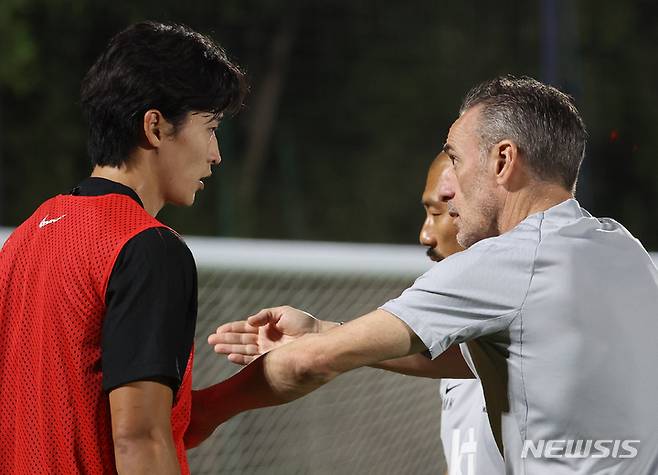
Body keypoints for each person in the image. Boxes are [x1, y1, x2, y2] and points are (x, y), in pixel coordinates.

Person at [203, 76, 658, 474]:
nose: (451, 188)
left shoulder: (503, 262)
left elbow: (312, 363)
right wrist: (324, 329)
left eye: (456, 161)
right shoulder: (626, 249)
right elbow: (506, 359)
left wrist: (201, 413)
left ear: (503, 160)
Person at [0, 21, 246, 474]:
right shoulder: (146, 247)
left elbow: (99, 417)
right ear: (154, 126)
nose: (216, 154)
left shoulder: (25, 239)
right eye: (210, 128)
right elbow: (139, 439)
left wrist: (260, 386)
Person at [211, 153, 505, 475]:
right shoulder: (465, 345)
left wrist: (208, 409)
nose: (425, 235)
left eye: (438, 212)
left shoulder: (533, 326)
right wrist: (319, 332)